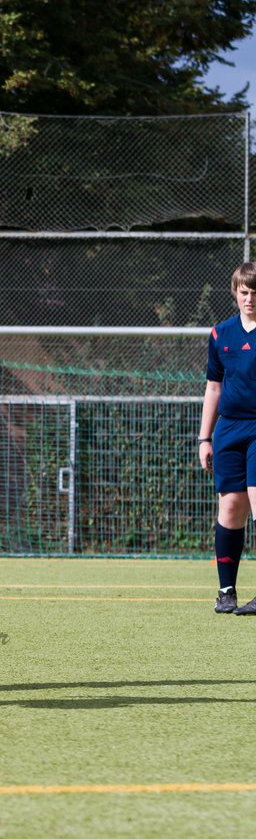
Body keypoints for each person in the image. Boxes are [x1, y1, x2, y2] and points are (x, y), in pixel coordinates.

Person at [199, 261, 256, 616]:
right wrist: (204, 438)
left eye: (255, 293)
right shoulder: (221, 334)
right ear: (235, 293)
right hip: (229, 430)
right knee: (231, 508)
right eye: (245, 292)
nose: (250, 299)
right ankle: (226, 591)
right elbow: (214, 387)